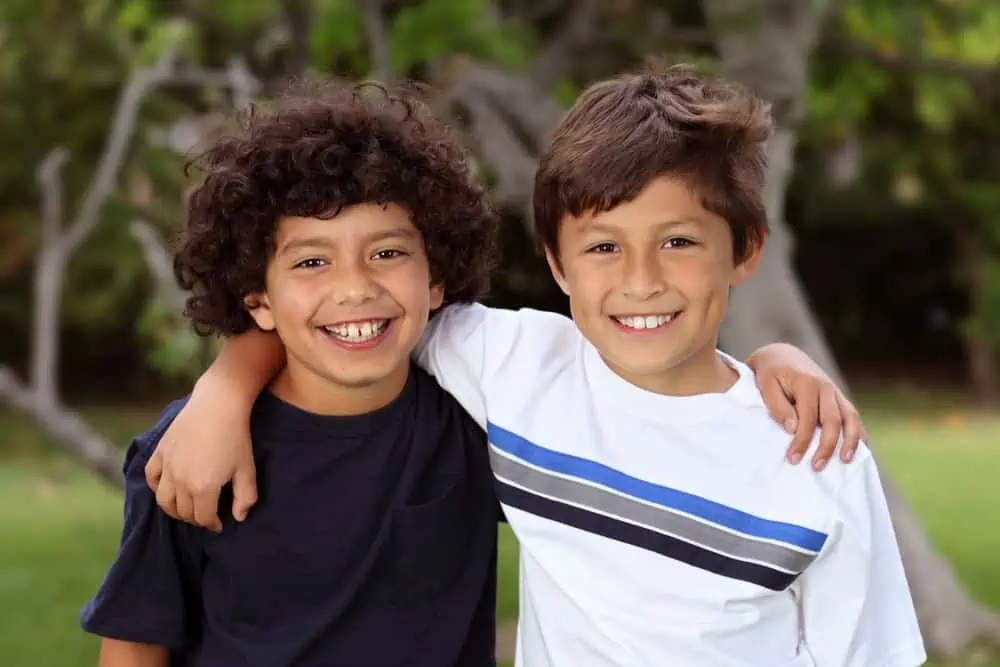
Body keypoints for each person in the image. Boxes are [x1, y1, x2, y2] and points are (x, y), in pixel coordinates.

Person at [144, 66, 900, 666]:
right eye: (604, 246)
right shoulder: (513, 365)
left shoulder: (819, 452)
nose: (641, 279)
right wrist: (224, 386)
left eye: (679, 241)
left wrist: (779, 358)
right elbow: (350, 319)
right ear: (558, 264)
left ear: (745, 251)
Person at [80, 80, 502, 667]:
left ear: (436, 279)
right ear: (258, 298)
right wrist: (224, 391)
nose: (355, 287)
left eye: (387, 253)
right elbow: (136, 641)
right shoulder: (188, 451)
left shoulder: (479, 422)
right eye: (311, 262)